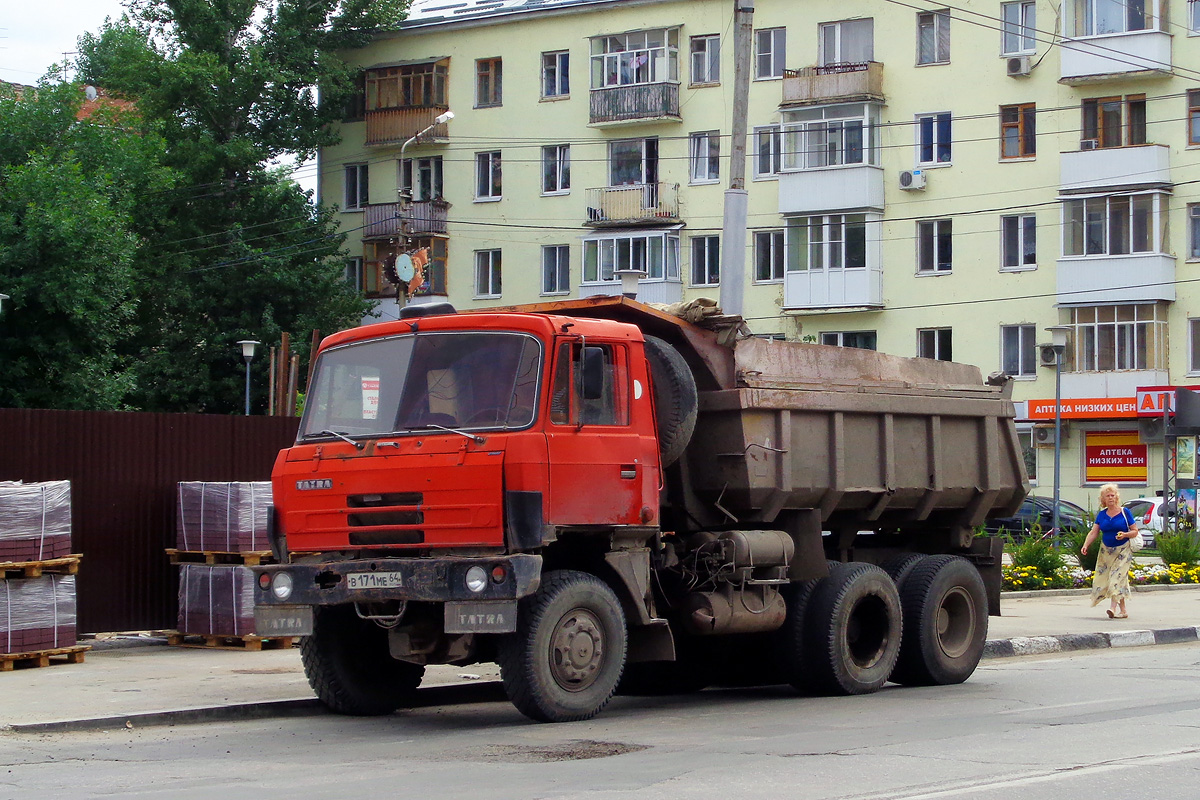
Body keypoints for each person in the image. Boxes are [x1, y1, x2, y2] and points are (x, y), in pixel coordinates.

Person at [1081, 483, 1140, 619]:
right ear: (1103, 499)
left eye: (1113, 495)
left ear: (1116, 497)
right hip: (1106, 551)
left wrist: (1125, 534)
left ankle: (1112, 608)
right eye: (1108, 496)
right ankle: (1123, 610)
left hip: (1123, 550)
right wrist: (1086, 545)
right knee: (1117, 580)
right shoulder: (1102, 515)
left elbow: (1135, 531)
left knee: (1116, 577)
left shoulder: (1125, 512)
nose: (1111, 498)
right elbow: (1094, 532)